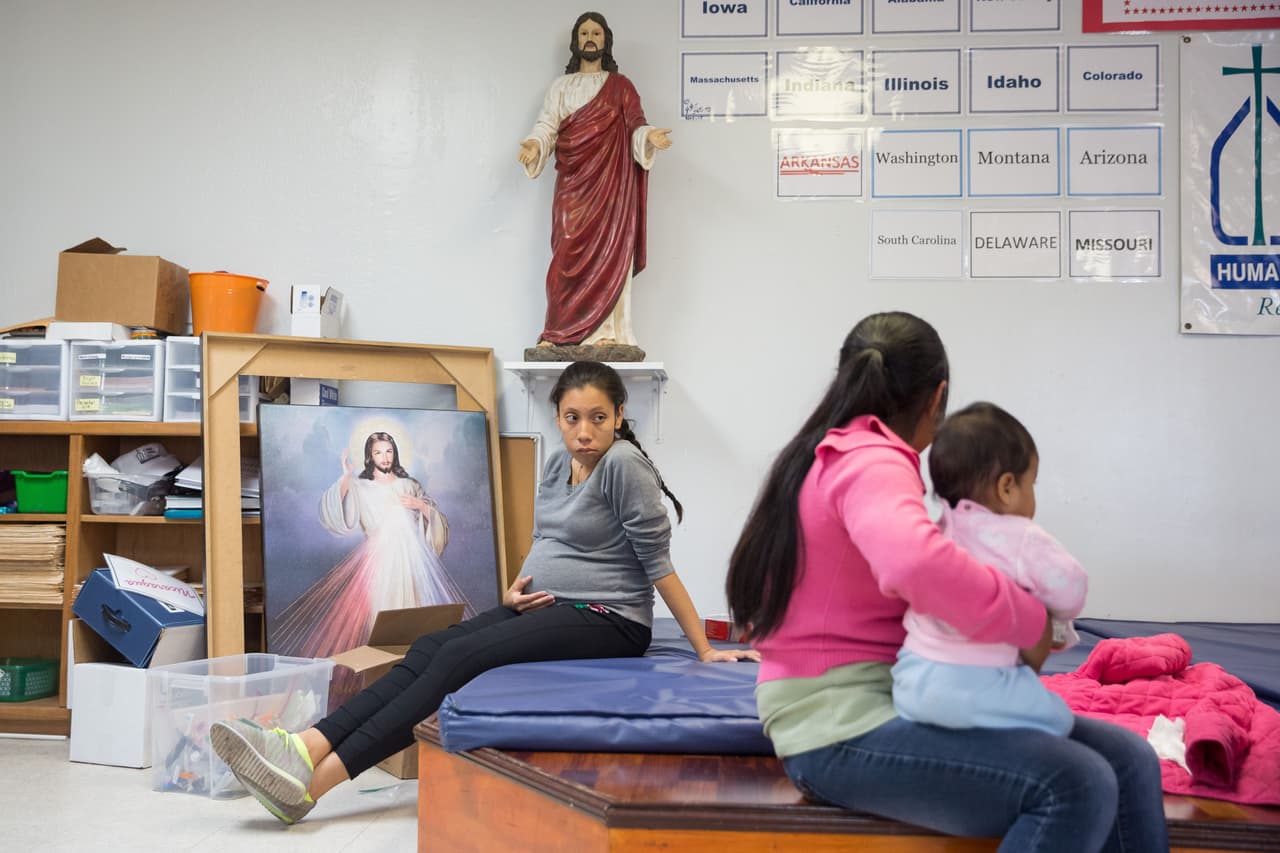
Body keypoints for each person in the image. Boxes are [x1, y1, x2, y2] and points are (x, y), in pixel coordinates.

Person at [212, 361, 757, 824]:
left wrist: (704, 649)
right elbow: (547, 538)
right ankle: (304, 755)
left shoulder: (622, 465)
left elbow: (659, 565)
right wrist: (516, 588)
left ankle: (312, 778)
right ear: (558, 419)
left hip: (608, 616)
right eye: (572, 418)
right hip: (547, 603)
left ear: (618, 416)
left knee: (459, 658)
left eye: (598, 418)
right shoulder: (554, 463)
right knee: (430, 647)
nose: (585, 431)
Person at [725, 313, 1168, 852]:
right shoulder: (873, 460)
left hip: (876, 704)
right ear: (937, 399)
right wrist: (1030, 620)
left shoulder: (838, 452)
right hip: (837, 728)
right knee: (1075, 782)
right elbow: (913, 563)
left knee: (1128, 758)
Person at [892, 401, 1087, 736]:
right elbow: (1071, 588)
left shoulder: (936, 532)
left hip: (911, 682)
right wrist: (1052, 608)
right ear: (1007, 487)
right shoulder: (1021, 537)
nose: (1031, 497)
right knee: (1058, 717)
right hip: (974, 683)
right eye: (1032, 484)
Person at [517, 11, 672, 349]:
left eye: (597, 33)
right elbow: (547, 126)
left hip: (610, 190)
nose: (591, 38)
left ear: (606, 41)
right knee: (566, 250)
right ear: (576, 41)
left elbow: (635, 122)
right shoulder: (560, 87)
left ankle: (605, 334)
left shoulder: (621, 86)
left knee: (610, 251)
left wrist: (647, 137)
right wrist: (534, 144)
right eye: (585, 32)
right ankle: (558, 333)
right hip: (573, 184)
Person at [271, 431, 475, 660]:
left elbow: (438, 523)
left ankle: (417, 667)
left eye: (389, 451)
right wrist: (347, 477)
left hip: (411, 565)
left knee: (417, 618)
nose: (385, 457)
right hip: (379, 566)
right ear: (370, 456)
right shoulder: (361, 487)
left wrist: (421, 506)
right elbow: (334, 515)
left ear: (395, 453)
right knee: (383, 619)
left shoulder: (410, 485)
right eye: (378, 452)